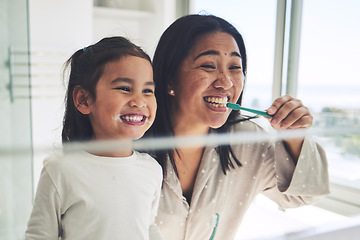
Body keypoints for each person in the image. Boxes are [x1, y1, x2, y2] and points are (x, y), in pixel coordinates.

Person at [147, 14, 329, 240]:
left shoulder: (248, 141)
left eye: (235, 67)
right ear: (169, 78)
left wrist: (295, 137)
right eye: (207, 66)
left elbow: (302, 195)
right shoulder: (129, 145)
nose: (226, 82)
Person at [25, 37, 163, 240]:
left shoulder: (151, 169)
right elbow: (39, 236)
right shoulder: (60, 169)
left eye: (147, 91)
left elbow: (147, 226)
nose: (139, 101)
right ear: (84, 99)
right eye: (125, 88)